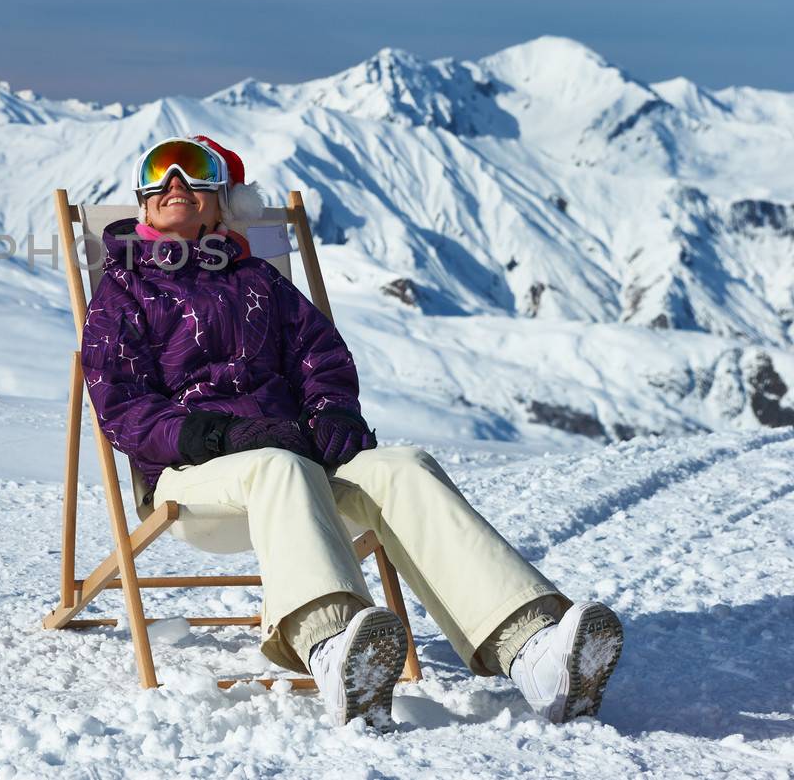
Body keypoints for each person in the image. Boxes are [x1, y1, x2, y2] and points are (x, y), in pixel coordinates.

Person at [79, 135, 623, 729]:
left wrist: (333, 412)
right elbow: (122, 407)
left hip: (297, 460)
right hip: (198, 477)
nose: (175, 182)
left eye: (195, 172)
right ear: (141, 202)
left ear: (223, 203)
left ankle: (531, 649)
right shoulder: (125, 288)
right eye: (158, 171)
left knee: (402, 466)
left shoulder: (261, 280)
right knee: (276, 466)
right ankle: (333, 647)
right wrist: (215, 437)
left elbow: (321, 357)